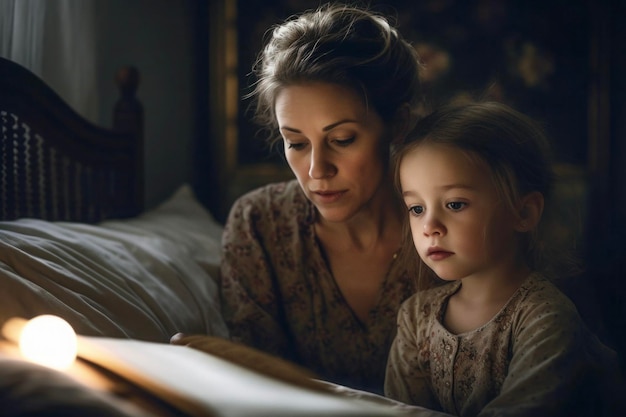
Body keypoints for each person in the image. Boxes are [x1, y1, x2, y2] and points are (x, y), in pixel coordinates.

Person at [173, 3, 424, 394]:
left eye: (342, 140)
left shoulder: (448, 224)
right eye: (296, 143)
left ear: (397, 124)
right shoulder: (260, 224)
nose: (316, 170)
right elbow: (256, 388)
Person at [384, 101, 623, 416]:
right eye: (417, 208)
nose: (429, 227)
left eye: (455, 204)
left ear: (523, 212)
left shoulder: (544, 319)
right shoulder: (416, 317)